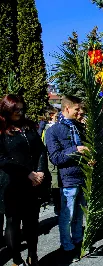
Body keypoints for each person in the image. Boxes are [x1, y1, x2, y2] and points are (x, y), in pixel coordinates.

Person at [0, 94, 49, 266]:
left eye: (22, 109)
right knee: (13, 222)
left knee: (32, 222)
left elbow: (41, 150)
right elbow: (2, 158)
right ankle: (16, 259)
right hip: (12, 183)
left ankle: (32, 255)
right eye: (16, 110)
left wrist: (41, 171)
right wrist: (27, 173)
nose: (20, 113)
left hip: (33, 182)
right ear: (7, 109)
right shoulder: (1, 129)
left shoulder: (28, 126)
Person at [45, 95, 87, 259]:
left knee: (78, 213)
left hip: (82, 177)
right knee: (67, 214)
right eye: (77, 109)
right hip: (68, 179)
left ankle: (78, 239)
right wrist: (76, 150)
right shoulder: (53, 130)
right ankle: (66, 244)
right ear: (67, 108)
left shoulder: (79, 128)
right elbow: (55, 157)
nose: (80, 112)